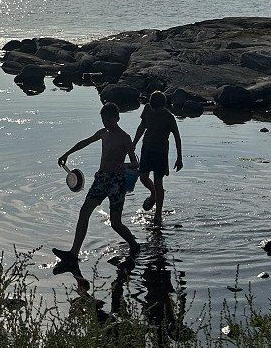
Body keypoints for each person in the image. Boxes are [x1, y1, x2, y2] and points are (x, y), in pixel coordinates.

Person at [53, 102, 139, 272]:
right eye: (103, 120)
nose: (106, 123)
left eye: (108, 120)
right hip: (102, 179)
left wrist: (125, 166)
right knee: (84, 211)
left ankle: (134, 244)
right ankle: (73, 253)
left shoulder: (125, 138)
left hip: (117, 182)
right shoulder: (103, 133)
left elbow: (136, 164)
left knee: (115, 223)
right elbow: (85, 142)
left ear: (117, 118)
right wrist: (67, 154)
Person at [134, 90, 183, 225]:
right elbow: (142, 126)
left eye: (158, 109)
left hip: (161, 152)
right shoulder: (148, 109)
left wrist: (179, 158)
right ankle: (153, 195)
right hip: (147, 149)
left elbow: (177, 137)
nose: (155, 111)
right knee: (143, 177)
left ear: (164, 105)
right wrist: (133, 143)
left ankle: (158, 214)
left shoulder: (169, 117)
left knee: (158, 181)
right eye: (154, 108)